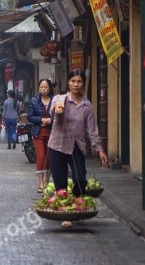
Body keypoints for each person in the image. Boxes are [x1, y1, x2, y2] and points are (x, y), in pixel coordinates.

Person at [49, 69, 108, 228]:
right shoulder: (59, 99)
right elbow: (52, 113)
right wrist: (57, 109)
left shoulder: (86, 105)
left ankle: (76, 206)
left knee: (80, 179)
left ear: (83, 83)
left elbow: (92, 129)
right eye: (73, 81)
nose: (76, 84)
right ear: (68, 82)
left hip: (77, 146)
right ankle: (65, 215)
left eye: (79, 81)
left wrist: (100, 149)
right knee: (60, 182)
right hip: (58, 145)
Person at [28, 79, 54, 193]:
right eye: (41, 87)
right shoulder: (34, 101)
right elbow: (30, 116)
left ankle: (47, 180)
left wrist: (50, 120)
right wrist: (40, 119)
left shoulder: (55, 100)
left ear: (50, 88)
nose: (43, 89)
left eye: (46, 87)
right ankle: (40, 182)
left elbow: (60, 115)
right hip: (38, 133)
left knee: (49, 158)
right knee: (41, 156)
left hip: (52, 133)